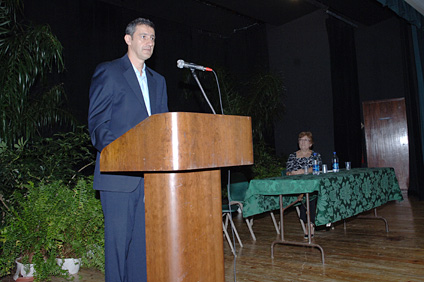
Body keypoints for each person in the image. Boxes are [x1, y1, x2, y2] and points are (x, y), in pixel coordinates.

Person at [88, 18, 168, 282]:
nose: (149, 42)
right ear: (128, 39)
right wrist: (129, 153)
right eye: (144, 36)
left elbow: (162, 128)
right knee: (118, 250)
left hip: (150, 181)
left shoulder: (159, 81)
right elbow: (98, 126)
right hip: (118, 178)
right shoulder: (109, 72)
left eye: (153, 38)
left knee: (142, 253)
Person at [286, 131, 320, 239]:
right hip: (296, 184)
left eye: (305, 140)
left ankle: (309, 224)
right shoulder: (293, 156)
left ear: (310, 143)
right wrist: (292, 173)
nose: (302, 142)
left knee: (309, 193)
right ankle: (309, 223)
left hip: (311, 184)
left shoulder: (315, 155)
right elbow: (287, 171)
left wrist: (302, 171)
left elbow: (316, 167)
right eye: (300, 140)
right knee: (307, 193)